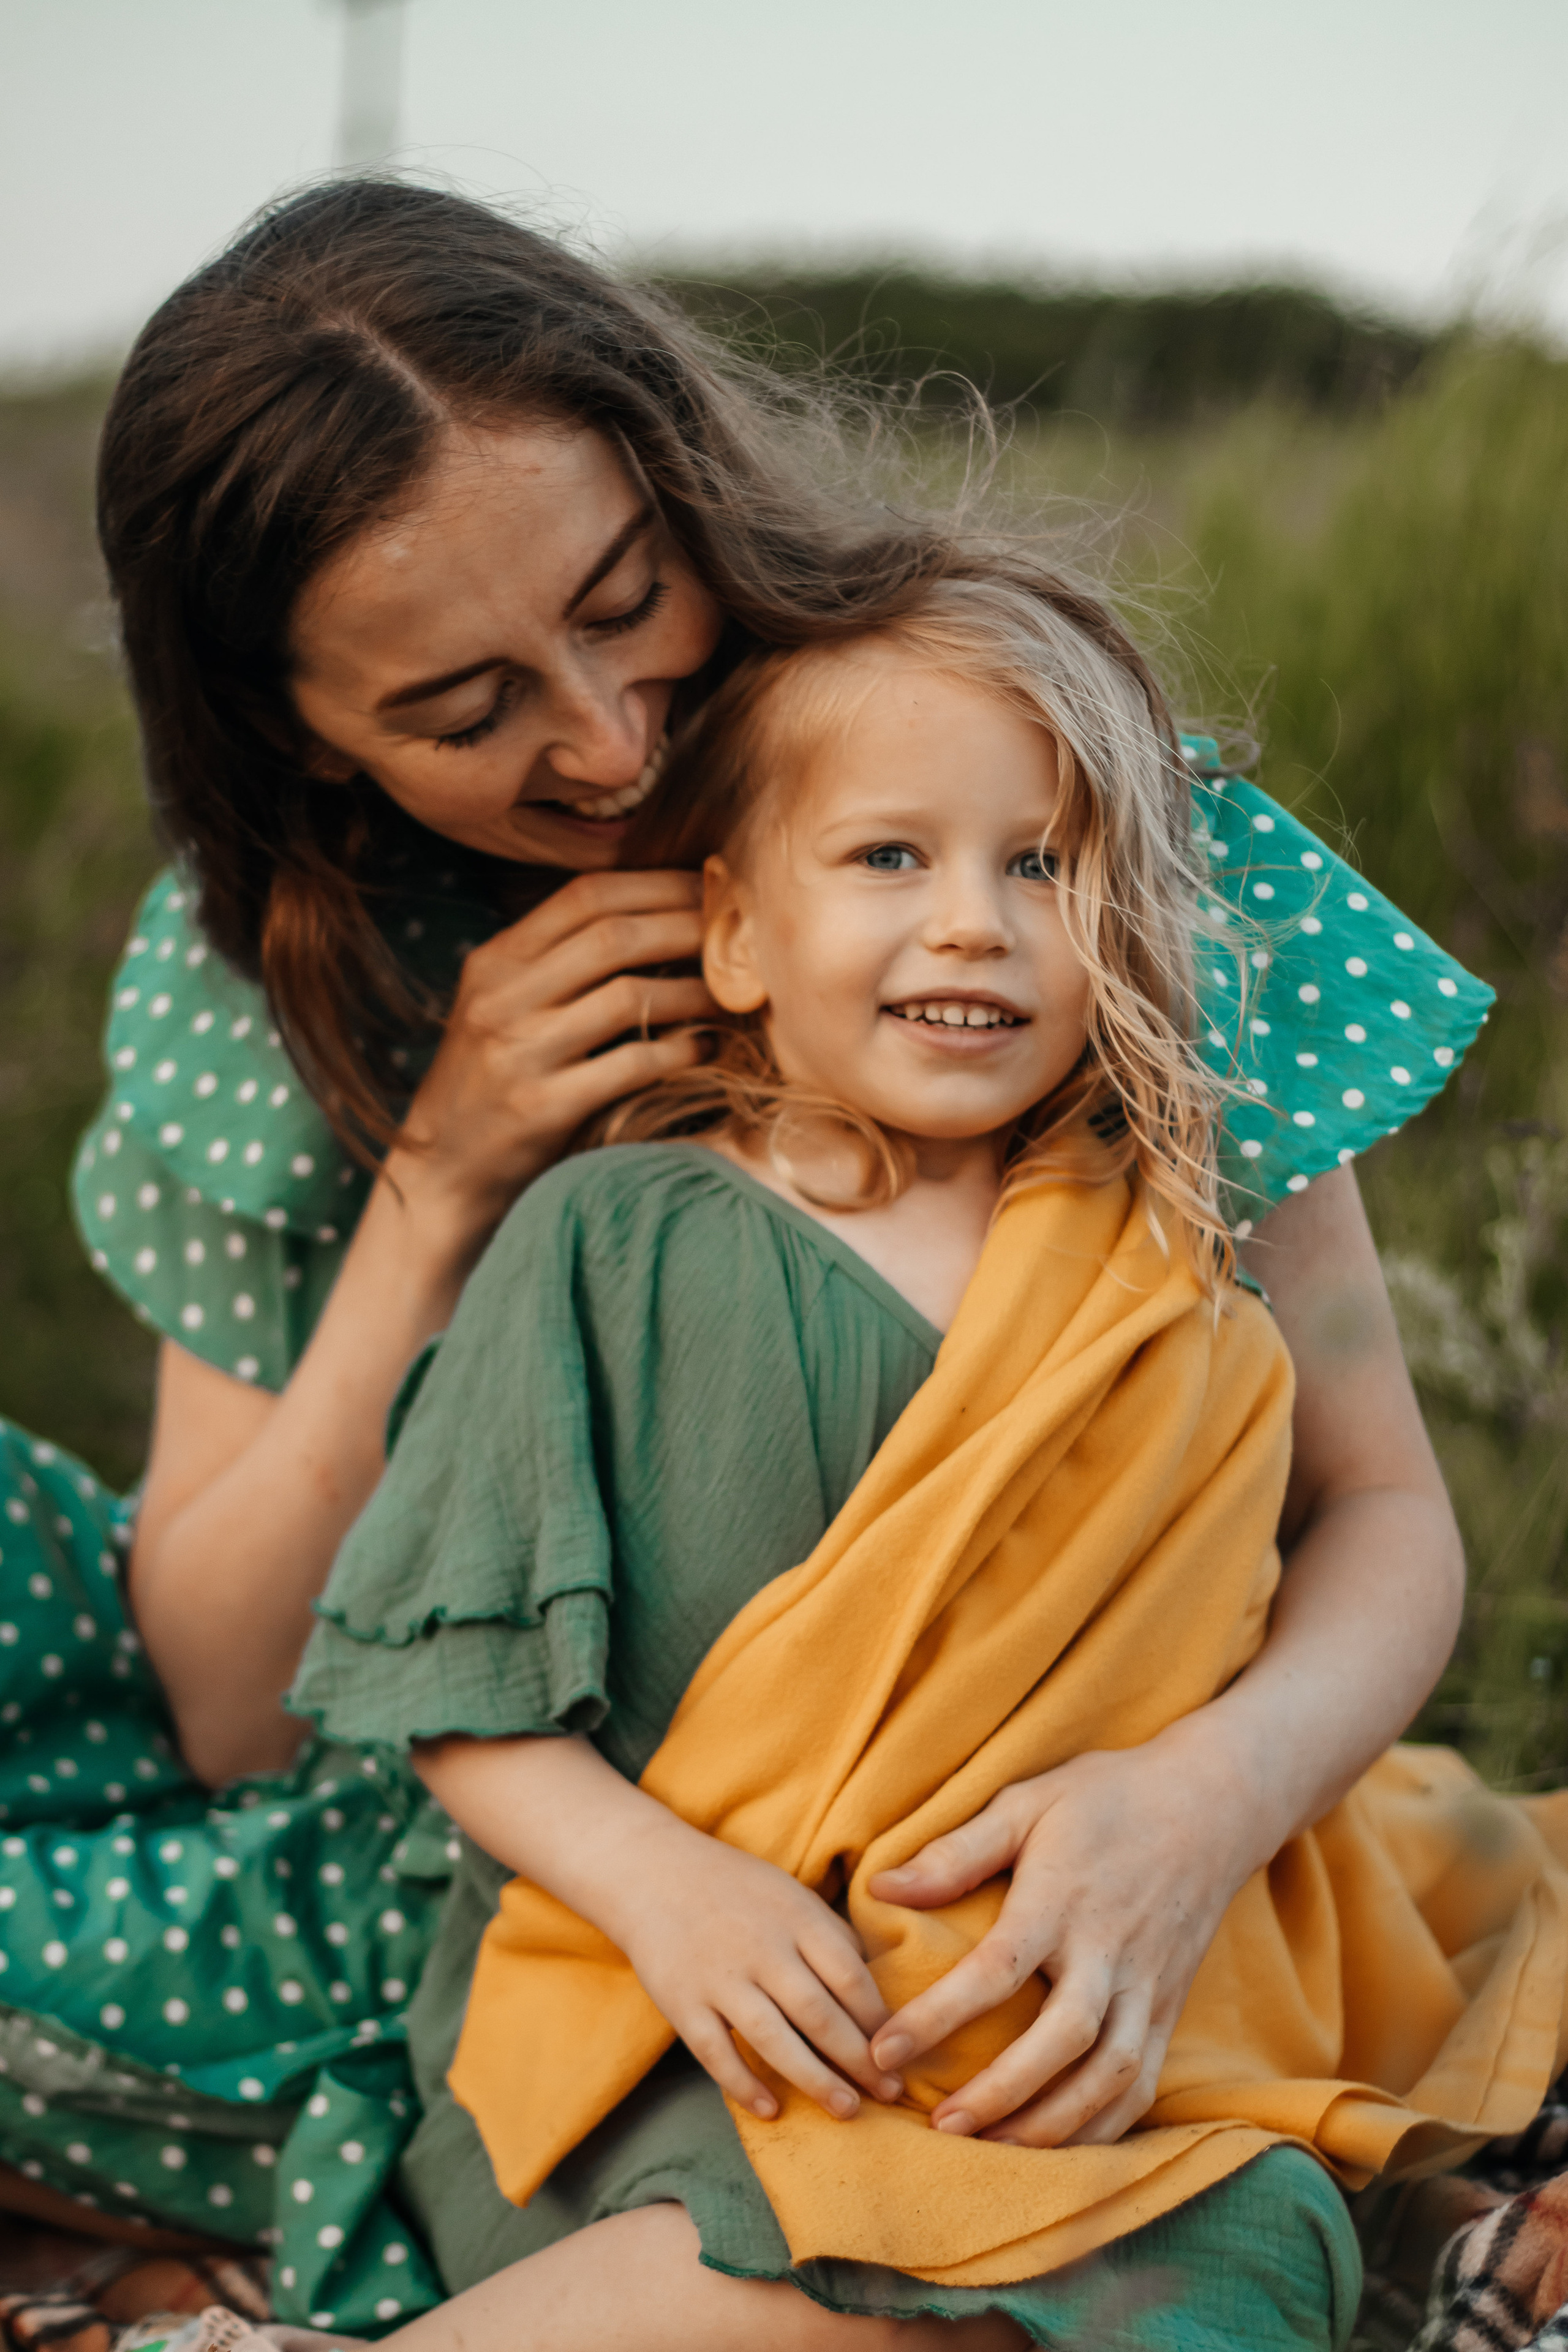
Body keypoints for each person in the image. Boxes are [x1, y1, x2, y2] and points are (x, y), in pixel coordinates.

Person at [0, 179, 1483, 2337]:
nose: (607, 746)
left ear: (691, 487)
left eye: (627, 600)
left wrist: (1205, 1805)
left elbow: (1382, 1501)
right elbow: (230, 1711)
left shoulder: (1041, 814)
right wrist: (440, 1188)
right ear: (305, 729)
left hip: (1032, 1833)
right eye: (462, 705)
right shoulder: (275, 981)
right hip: (492, 1853)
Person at [286, 577, 1567, 2352]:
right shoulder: (611, 1239)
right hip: (703, 2027)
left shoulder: (1183, 1220)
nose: (973, 924)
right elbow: (454, 1689)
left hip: (1074, 2005)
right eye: (890, 858)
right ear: (733, 931)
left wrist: (1207, 1797)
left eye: (1045, 867)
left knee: (1245, 2236)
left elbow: (1377, 1525)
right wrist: (677, 1899)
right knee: (989, 2255)